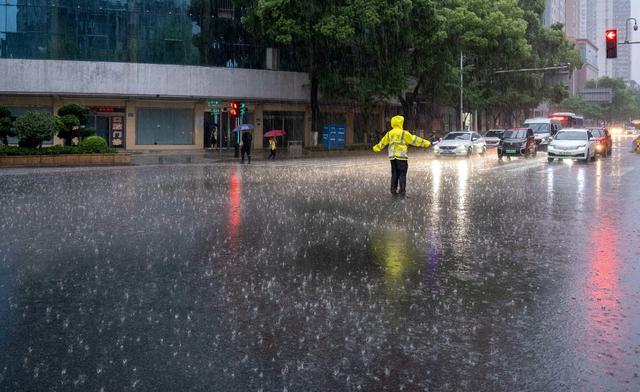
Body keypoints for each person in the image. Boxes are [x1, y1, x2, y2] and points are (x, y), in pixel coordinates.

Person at [373, 115, 431, 196]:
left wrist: (376, 148)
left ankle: (393, 190)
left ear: (393, 123)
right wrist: (426, 143)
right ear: (401, 123)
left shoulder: (389, 133)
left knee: (394, 174)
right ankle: (402, 191)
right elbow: (414, 140)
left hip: (392, 157)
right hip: (402, 158)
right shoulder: (404, 133)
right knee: (402, 174)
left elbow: (383, 142)